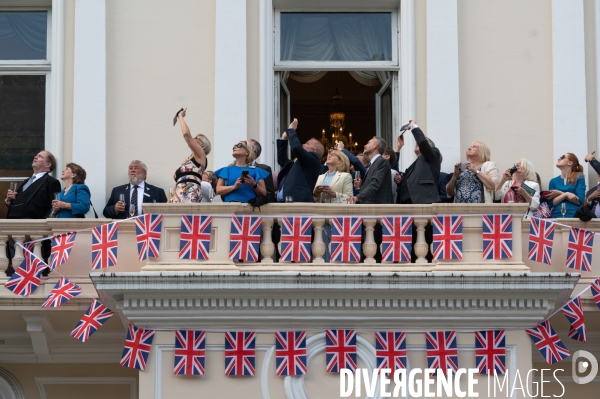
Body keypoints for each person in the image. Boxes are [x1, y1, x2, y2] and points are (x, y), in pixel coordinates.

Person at [276, 118, 324, 203]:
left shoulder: (314, 160)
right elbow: (282, 160)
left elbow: (296, 148)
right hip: (285, 203)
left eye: (307, 143)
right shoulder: (298, 163)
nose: (303, 144)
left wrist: (291, 130)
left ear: (314, 151)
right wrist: (284, 139)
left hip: (298, 203)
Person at [170, 108, 212, 203]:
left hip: (190, 195)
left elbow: (186, 134)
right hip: (177, 196)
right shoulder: (187, 161)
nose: (193, 138)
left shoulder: (201, 156)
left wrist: (180, 116)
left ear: (202, 145)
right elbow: (177, 182)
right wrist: (169, 200)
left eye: (197, 138)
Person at [5, 151, 61, 219]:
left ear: (48, 165)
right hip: (11, 222)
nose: (35, 157)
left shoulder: (51, 182)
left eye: (40, 156)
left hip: (33, 225)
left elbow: (54, 206)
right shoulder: (26, 181)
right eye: (36, 155)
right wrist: (9, 200)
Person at [396, 120, 441, 204]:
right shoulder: (415, 165)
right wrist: (397, 149)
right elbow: (395, 173)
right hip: (407, 204)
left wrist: (413, 125)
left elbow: (423, 143)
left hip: (423, 201)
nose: (417, 143)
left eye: (419, 142)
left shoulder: (434, 154)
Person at [103, 160, 168, 219]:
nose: (132, 170)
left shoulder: (157, 192)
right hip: (124, 229)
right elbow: (106, 213)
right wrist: (115, 209)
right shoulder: (117, 191)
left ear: (144, 174)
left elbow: (166, 213)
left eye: (136, 168)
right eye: (130, 168)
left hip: (148, 229)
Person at [347, 136, 393, 204]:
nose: (365, 145)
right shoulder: (372, 164)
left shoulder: (382, 162)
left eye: (368, 143)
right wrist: (360, 187)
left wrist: (358, 197)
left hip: (379, 209)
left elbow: (375, 184)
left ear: (375, 146)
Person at [545, 153, 585, 218]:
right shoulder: (553, 181)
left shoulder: (579, 177)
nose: (559, 159)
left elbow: (580, 200)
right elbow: (551, 203)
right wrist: (565, 194)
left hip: (574, 216)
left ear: (570, 163)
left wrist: (559, 193)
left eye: (562, 157)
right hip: (557, 217)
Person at [248, 138, 277, 203]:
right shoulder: (232, 168)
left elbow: (270, 196)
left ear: (254, 150)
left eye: (246, 145)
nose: (242, 146)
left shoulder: (264, 169)